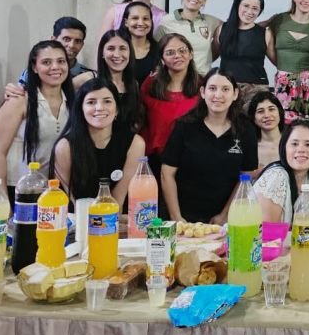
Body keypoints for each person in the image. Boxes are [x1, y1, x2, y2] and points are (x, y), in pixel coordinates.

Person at [160, 68, 257, 223]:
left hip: (226, 218)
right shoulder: (185, 126)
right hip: (183, 216)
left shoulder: (246, 130)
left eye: (225, 89)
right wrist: (176, 217)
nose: (218, 95)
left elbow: (245, 177)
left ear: (235, 94)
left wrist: (225, 215)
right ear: (203, 92)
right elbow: (167, 173)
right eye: (212, 88)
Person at [0, 40, 74, 202]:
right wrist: (1, 200)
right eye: (46, 62)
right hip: (20, 190)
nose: (55, 67)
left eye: (61, 61)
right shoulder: (19, 101)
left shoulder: (73, 102)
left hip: (55, 191)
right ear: (35, 67)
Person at [49, 78, 145, 205]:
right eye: (91, 102)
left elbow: (118, 200)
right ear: (81, 110)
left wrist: (108, 220)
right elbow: (72, 200)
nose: (99, 108)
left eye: (107, 101)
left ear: (116, 109)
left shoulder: (135, 144)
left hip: (114, 217)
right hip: (77, 219)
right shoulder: (64, 147)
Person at [139, 34, 200, 180]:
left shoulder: (202, 86)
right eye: (170, 52)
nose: (177, 56)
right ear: (162, 59)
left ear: (191, 54)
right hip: (155, 159)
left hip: (191, 158)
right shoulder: (150, 84)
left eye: (182, 50)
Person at [254, 120, 309, 223]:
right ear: (284, 147)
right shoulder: (276, 177)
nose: (301, 149)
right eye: (294, 144)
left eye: (308, 144)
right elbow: (268, 233)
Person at [214, 0, 274, 108]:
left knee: (252, 125)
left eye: (255, 8)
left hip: (256, 90)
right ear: (237, 5)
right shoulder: (222, 29)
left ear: (260, 11)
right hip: (227, 89)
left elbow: (278, 62)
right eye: (246, 6)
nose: (249, 11)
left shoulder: (265, 33)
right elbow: (210, 56)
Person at [75, 30, 142, 133]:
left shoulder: (133, 84)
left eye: (122, 48)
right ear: (102, 53)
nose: (117, 54)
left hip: (125, 144)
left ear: (130, 53)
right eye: (111, 48)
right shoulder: (89, 78)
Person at [153, 0, 222, 73]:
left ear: (204, 0)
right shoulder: (166, 21)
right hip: (176, 80)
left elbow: (230, 26)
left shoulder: (211, 21)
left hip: (202, 79)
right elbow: (155, 52)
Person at [12, 17, 93, 92]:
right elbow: (20, 99)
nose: (72, 45)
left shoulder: (88, 76)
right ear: (53, 40)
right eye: (66, 39)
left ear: (82, 45)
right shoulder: (36, 71)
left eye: (78, 41)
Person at [119, 1, 158, 85]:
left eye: (145, 19)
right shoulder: (116, 48)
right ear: (126, 22)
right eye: (135, 18)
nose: (141, 23)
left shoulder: (159, 49)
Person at [248, 91, 285, 178]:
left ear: (280, 112)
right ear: (253, 118)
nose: (267, 115)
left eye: (271, 109)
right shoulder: (249, 147)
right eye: (260, 111)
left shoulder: (291, 144)